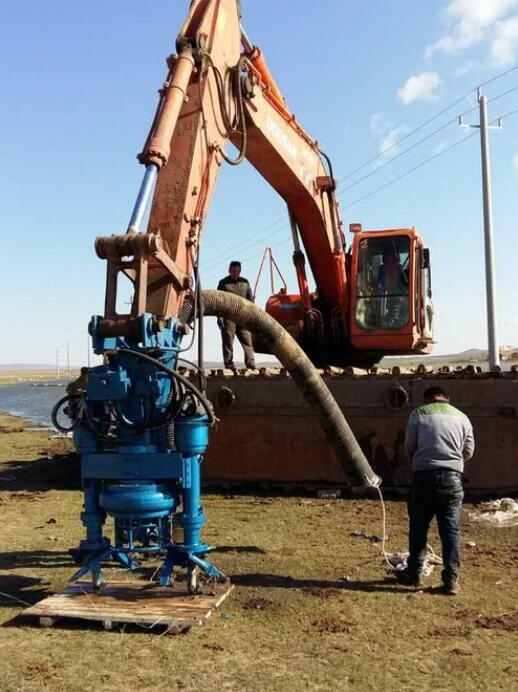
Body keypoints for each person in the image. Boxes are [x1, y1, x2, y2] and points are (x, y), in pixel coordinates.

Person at [397, 386, 474, 595]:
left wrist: (420, 460)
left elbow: (409, 446)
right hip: (452, 480)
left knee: (419, 527)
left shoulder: (419, 414)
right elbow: (468, 451)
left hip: (424, 478)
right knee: (450, 531)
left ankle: (414, 574)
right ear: (446, 399)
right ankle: (451, 581)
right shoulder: (462, 417)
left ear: (427, 399)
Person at [217, 261, 256, 369]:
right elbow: (217, 301)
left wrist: (251, 314)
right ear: (229, 270)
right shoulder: (223, 283)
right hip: (228, 317)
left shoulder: (245, 282)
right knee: (228, 342)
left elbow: (251, 299)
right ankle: (229, 364)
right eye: (233, 271)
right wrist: (219, 318)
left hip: (243, 317)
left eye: (238, 271)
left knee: (248, 341)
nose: (236, 273)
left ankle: (251, 364)